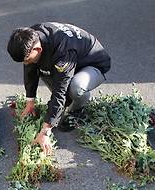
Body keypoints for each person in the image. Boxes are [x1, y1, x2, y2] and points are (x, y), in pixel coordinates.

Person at [7, 23, 111, 154]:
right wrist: (30, 102)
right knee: (41, 68)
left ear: (37, 50)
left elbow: (59, 91)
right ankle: (68, 103)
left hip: (92, 64)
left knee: (75, 88)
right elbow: (30, 72)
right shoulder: (30, 37)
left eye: (26, 59)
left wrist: (45, 132)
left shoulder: (62, 52)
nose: (25, 63)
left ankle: (77, 111)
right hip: (71, 60)